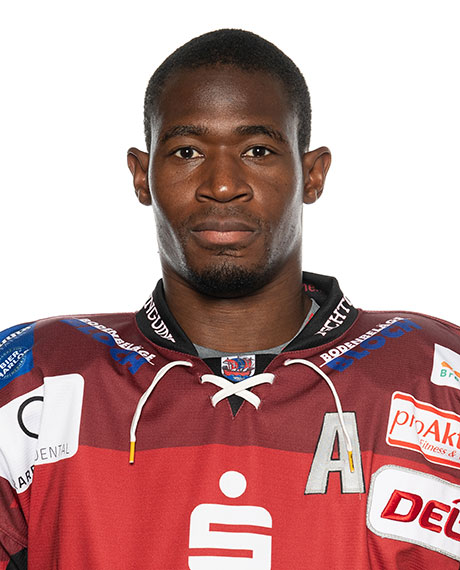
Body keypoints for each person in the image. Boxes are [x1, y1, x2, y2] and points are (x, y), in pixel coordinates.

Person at [1, 28, 459, 570]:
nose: (222, 185)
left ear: (312, 175)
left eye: (258, 150)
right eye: (187, 151)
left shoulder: (433, 375)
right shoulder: (33, 377)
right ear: (142, 176)